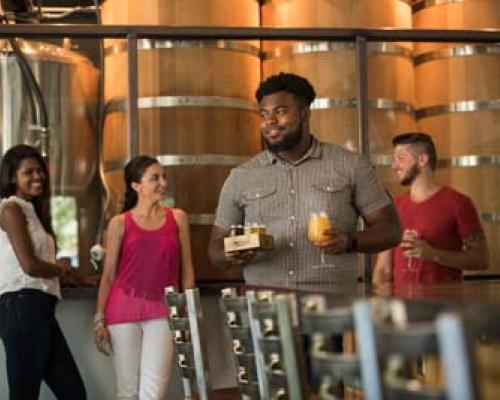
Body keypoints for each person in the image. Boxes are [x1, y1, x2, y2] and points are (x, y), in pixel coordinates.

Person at [208, 72, 401, 288]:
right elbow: (215, 250)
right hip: (266, 309)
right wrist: (233, 252)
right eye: (263, 114)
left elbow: (391, 230)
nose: (270, 121)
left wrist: (350, 241)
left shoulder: (351, 165)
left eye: (280, 112)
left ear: (304, 113)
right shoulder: (241, 176)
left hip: (331, 309)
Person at [94, 155, 195, 400]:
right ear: (136, 185)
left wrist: (189, 314)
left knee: (154, 393)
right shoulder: (119, 223)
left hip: (163, 311)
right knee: (127, 393)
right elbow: (108, 277)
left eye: (163, 177)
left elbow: (187, 271)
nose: (163, 183)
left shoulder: (178, 218)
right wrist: (99, 319)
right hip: (122, 311)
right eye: (155, 178)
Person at [0, 144, 86, 400]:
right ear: (12, 176)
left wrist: (71, 276)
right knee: (24, 395)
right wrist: (62, 270)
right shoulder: (10, 208)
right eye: (29, 172)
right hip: (21, 306)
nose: (38, 177)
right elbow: (30, 265)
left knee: (73, 394)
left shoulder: (31, 210)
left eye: (41, 171)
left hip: (38, 308)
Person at [373, 132, 489, 286]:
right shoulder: (395, 207)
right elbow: (382, 269)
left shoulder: (458, 203)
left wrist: (433, 254)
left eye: (401, 158)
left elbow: (481, 259)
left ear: (422, 159)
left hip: (443, 306)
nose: (394, 166)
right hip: (403, 307)